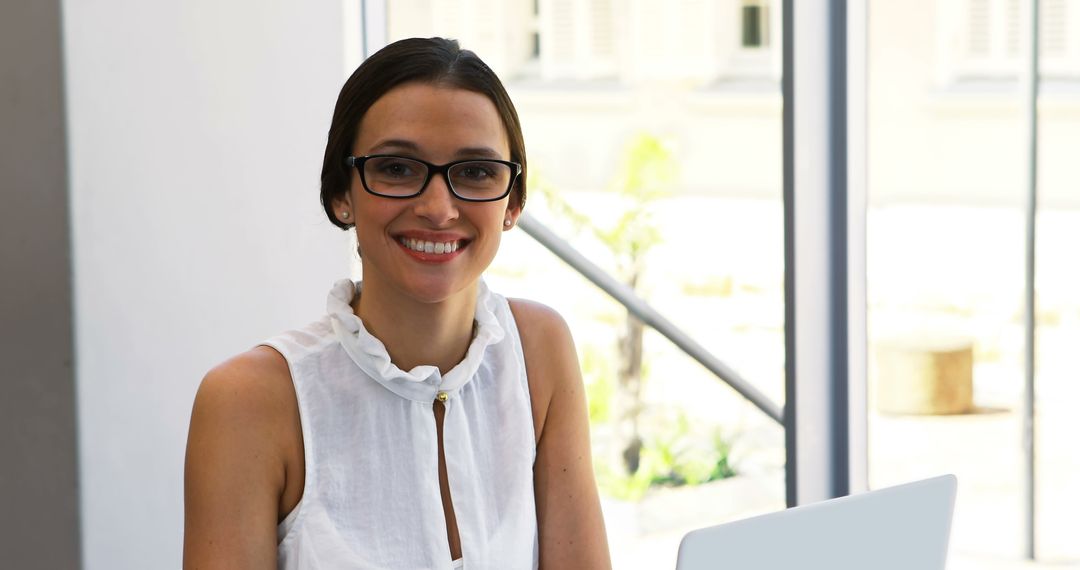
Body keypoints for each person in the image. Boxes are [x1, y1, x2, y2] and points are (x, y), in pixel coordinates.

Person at [183, 37, 611, 569]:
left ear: (513, 202)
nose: (438, 208)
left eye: (476, 172)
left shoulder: (539, 348)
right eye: (397, 169)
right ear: (343, 194)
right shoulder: (250, 400)